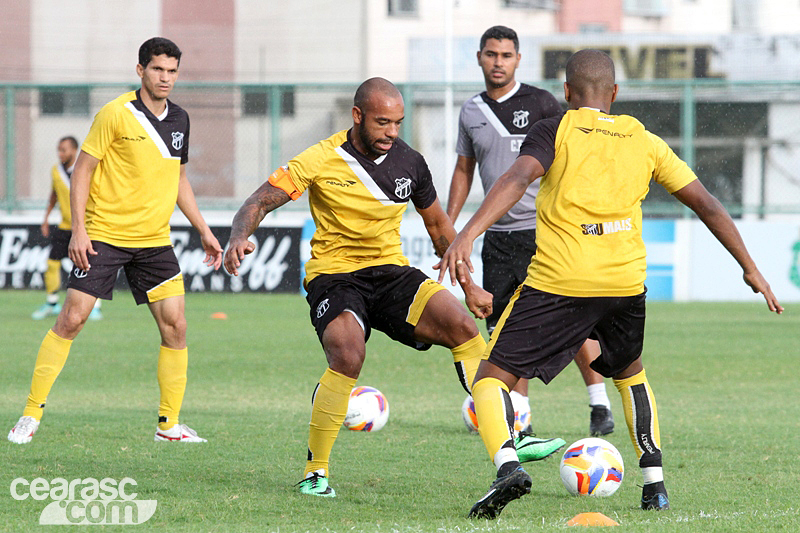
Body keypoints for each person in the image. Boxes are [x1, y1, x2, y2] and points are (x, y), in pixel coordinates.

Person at [438, 49, 783, 518]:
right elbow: (707, 204)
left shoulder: (554, 127)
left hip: (562, 280)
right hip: (624, 284)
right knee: (630, 372)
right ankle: (654, 484)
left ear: (566, 93)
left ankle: (507, 467)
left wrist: (466, 234)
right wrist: (750, 266)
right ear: (614, 94)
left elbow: (518, 177)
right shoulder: (643, 138)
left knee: (490, 377)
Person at [225, 77, 562, 498]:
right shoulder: (320, 158)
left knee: (463, 327)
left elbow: (440, 228)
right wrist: (239, 236)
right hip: (335, 276)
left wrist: (469, 286)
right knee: (348, 353)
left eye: (398, 123)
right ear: (357, 116)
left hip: (390, 273)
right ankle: (316, 472)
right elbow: (257, 202)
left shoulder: (410, 163)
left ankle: (508, 447)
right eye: (383, 122)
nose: (391, 132)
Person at [8, 37, 223, 445]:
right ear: (140, 70)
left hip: (154, 241)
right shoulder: (116, 113)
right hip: (104, 235)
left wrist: (204, 229)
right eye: (158, 69)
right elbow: (84, 171)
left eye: (173, 71)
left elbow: (178, 178)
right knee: (72, 319)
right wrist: (80, 232)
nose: (166, 78)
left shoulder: (180, 120)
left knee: (176, 327)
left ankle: (169, 426)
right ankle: (30, 415)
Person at [447, 25, 614, 438]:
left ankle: (599, 404)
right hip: (498, 240)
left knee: (568, 322)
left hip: (545, 232)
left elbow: (574, 155)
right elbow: (464, 170)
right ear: (480, 58)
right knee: (504, 326)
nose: (498, 62)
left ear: (518, 59)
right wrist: (450, 227)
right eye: (491, 54)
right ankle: (521, 416)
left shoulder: (541, 103)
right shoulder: (470, 111)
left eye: (506, 55)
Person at [32, 136, 103, 321]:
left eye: (64, 150)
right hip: (64, 227)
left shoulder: (85, 169)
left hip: (85, 226)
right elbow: (54, 194)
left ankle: (94, 306)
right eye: (59, 150)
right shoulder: (56, 171)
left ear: (74, 150)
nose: (60, 153)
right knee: (52, 263)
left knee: (87, 266)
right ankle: (52, 302)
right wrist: (46, 218)